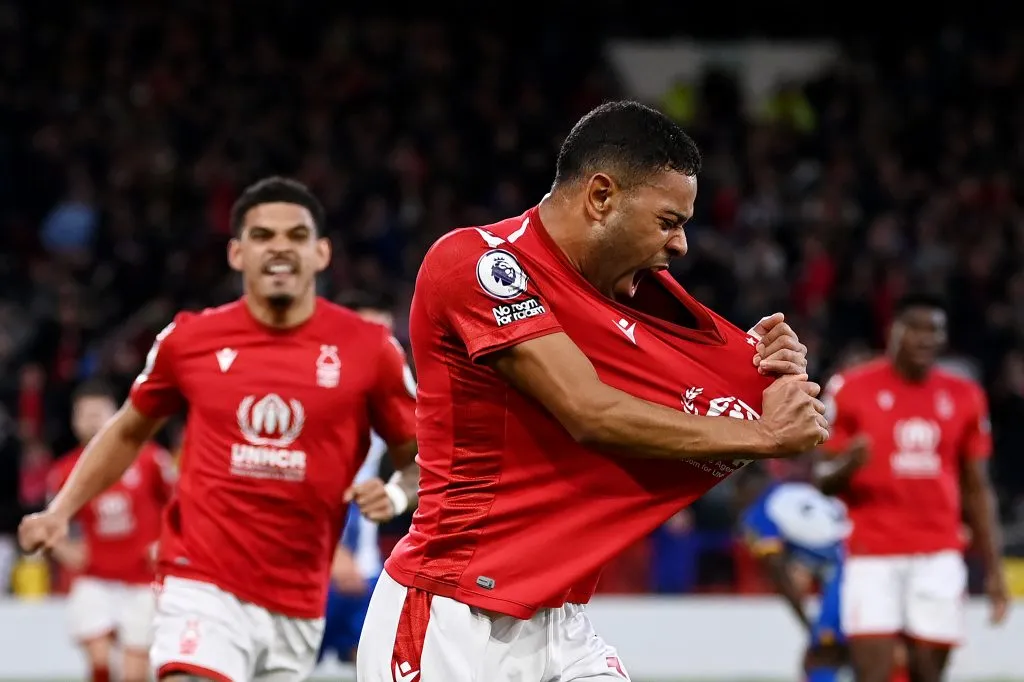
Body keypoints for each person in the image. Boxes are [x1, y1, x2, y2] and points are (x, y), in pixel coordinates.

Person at [357, 100, 828, 682]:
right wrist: (764, 432)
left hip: (563, 622)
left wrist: (758, 373)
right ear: (602, 197)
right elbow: (590, 412)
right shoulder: (480, 265)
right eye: (668, 221)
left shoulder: (616, 300)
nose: (680, 245)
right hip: (454, 616)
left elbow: (674, 398)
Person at [19, 176, 419, 682]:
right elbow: (127, 431)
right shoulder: (189, 340)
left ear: (321, 253)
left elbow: (419, 460)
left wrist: (396, 495)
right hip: (200, 580)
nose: (279, 247)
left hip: (299, 597)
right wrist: (61, 511)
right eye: (262, 235)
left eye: (296, 236)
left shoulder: (371, 350)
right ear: (236, 253)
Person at [817, 292, 1009, 682]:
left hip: (938, 553)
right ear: (893, 332)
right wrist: (848, 465)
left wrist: (994, 570)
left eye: (934, 330)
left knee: (928, 674)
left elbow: (977, 487)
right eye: (915, 329)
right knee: (872, 673)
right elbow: (821, 479)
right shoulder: (851, 388)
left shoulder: (965, 396)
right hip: (872, 552)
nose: (925, 339)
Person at [48, 380, 175, 682]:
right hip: (94, 578)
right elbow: (50, 522)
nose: (92, 422)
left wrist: (167, 543)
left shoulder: (150, 459)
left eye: (98, 414)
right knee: (100, 660)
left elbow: (181, 503)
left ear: (115, 415)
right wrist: (63, 549)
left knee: (134, 672)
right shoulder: (66, 470)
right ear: (74, 421)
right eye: (84, 415)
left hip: (143, 578)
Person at [319, 295, 414, 665]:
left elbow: (424, 470)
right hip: (318, 567)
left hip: (370, 571)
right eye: (368, 332)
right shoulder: (318, 400)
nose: (380, 345)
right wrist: (332, 552)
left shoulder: (399, 403)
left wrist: (394, 496)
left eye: (388, 335)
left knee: (370, 664)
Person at [737, 465, 850, 682]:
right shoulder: (794, 490)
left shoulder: (760, 513)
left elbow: (776, 568)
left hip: (849, 568)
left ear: (744, 490)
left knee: (821, 655)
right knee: (848, 651)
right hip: (865, 558)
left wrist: (805, 621)